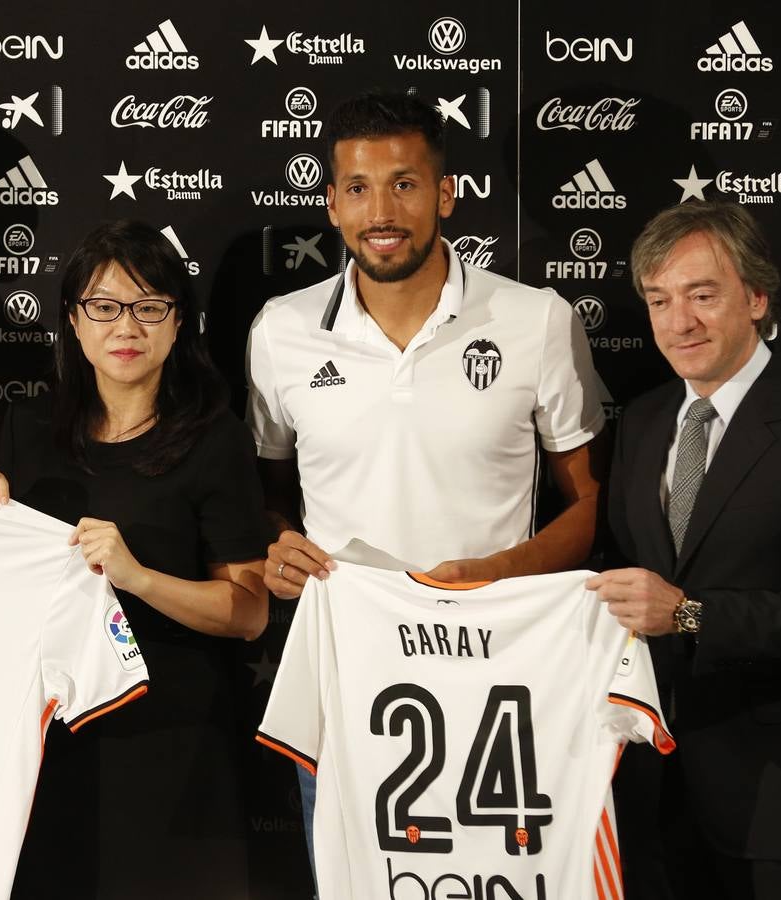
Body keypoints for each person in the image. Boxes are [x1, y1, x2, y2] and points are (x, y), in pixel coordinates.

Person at [243, 89, 606, 875]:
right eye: (359, 187)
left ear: (445, 194)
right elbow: (271, 492)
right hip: (346, 675)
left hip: (504, 676)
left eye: (405, 184)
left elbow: (586, 507)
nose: (383, 210)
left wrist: (492, 577)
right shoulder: (280, 331)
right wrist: (277, 548)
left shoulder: (535, 319)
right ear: (332, 204)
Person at [0, 219, 270, 899]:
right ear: (73, 323)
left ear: (177, 323)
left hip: (170, 742)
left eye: (147, 307)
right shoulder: (29, 429)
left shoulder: (213, 440)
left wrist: (137, 576)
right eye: (103, 307)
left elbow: (248, 612)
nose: (124, 327)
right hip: (49, 743)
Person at [589, 201, 781, 899]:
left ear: (756, 297)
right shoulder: (644, 422)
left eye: (702, 295)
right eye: (659, 300)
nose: (680, 322)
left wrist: (689, 615)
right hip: (651, 801)